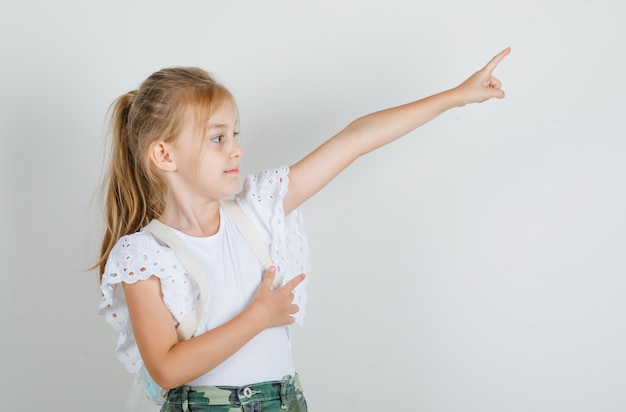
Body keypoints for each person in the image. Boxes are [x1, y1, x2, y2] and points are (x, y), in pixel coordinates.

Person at [96, 47, 510, 411]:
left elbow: (356, 138)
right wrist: (258, 317)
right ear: (165, 155)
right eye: (217, 138)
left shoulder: (258, 211)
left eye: (234, 134)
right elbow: (167, 369)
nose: (236, 148)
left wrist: (457, 96)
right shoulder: (144, 255)